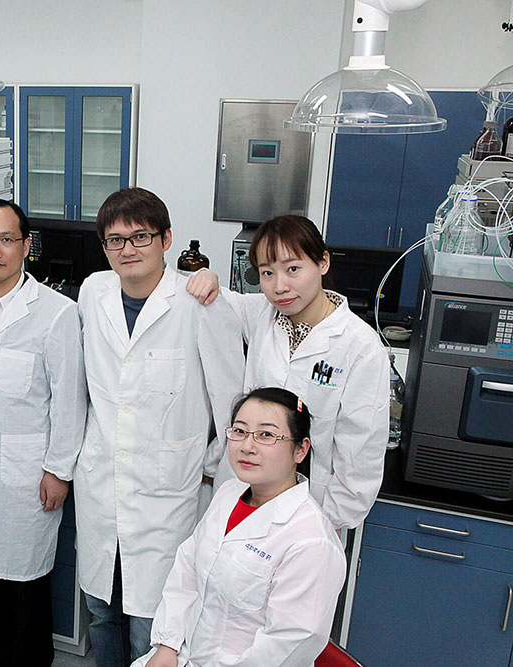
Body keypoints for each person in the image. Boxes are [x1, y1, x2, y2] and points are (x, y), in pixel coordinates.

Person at [75, 187, 245, 666]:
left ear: (166, 239)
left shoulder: (199, 303)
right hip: (101, 485)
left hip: (168, 495)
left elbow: (230, 403)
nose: (127, 249)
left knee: (153, 630)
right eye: (115, 240)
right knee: (101, 613)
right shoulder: (93, 292)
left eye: (140, 237)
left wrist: (210, 470)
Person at [0, 199, 87, 667]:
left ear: (26, 246)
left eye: (6, 240)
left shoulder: (57, 313)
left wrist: (58, 470)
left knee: (24, 579)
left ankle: (28, 659)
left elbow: (70, 400)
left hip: (26, 474)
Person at [186, 214, 389, 530]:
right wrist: (207, 275)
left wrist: (326, 523)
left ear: (323, 262)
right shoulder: (262, 314)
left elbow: (361, 452)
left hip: (310, 509)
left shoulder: (360, 346)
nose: (279, 287)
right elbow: (220, 301)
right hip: (242, 494)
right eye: (267, 273)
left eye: (293, 269)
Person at [132, 388, 346, 667]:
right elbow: (187, 571)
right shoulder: (229, 493)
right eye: (240, 431)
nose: (247, 446)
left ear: (301, 449)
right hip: (181, 653)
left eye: (266, 435)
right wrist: (167, 645)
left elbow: (287, 646)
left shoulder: (311, 542)